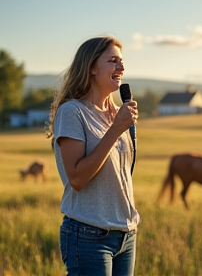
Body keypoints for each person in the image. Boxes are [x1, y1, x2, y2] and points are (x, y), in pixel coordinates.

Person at [46, 35, 140, 276]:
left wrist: (119, 125)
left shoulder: (118, 114)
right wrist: (116, 130)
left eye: (122, 61)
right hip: (89, 235)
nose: (122, 67)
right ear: (91, 68)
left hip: (126, 235)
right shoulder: (72, 112)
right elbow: (77, 179)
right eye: (113, 61)